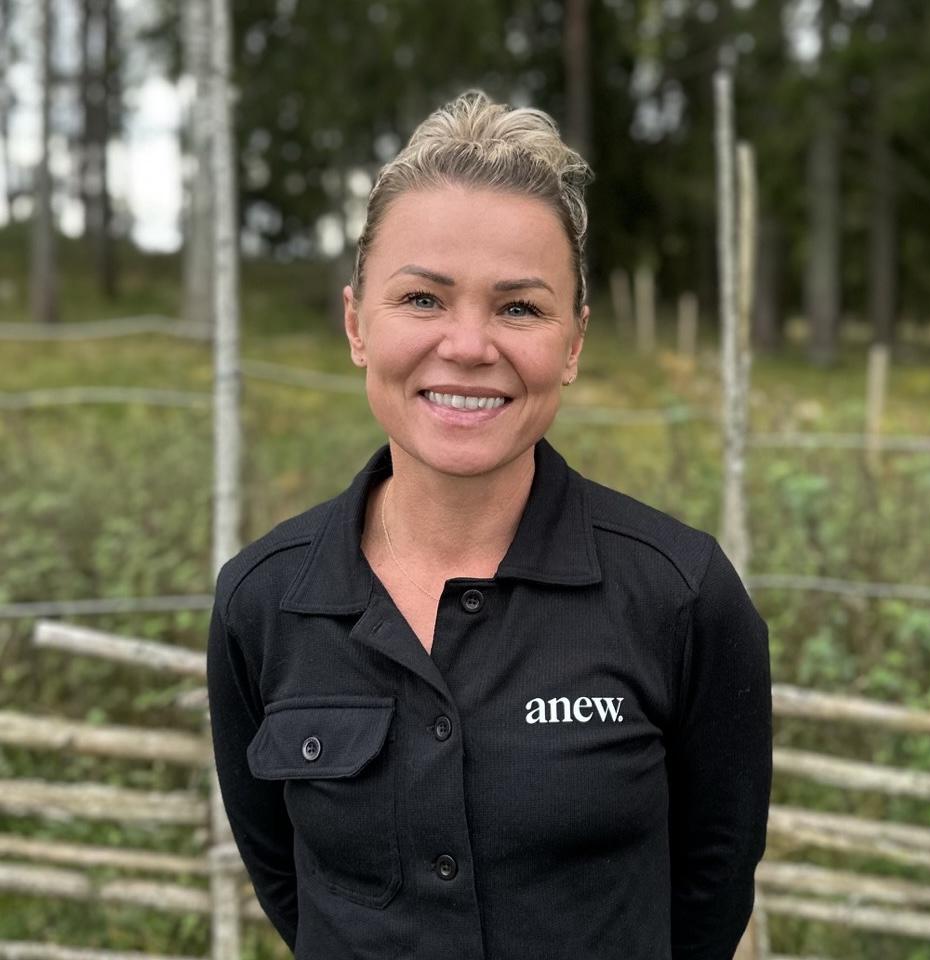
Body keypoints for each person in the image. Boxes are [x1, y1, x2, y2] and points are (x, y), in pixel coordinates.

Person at [207, 91, 771, 960]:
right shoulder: (263, 601)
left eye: (519, 308)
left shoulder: (680, 596)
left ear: (572, 343)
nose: (469, 345)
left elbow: (710, 889)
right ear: (357, 325)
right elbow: (288, 883)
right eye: (422, 298)